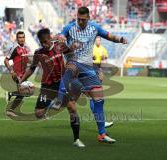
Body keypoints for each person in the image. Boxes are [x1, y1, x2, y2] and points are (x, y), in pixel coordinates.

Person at [50, 6, 127, 144]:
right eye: (78, 19)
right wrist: (60, 39)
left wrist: (120, 39)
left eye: (83, 20)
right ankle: (58, 98)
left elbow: (109, 35)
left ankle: (102, 134)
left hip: (88, 69)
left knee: (99, 99)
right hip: (73, 64)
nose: (80, 22)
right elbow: (61, 35)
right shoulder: (69, 28)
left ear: (89, 18)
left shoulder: (94, 27)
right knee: (71, 69)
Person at [20, 28, 85, 147]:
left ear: (50, 38)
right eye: (42, 42)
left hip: (62, 83)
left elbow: (73, 51)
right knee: (38, 114)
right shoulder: (38, 53)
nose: (44, 44)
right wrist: (21, 80)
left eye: (46, 41)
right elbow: (32, 68)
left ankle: (76, 139)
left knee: (72, 109)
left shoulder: (60, 46)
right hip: (47, 86)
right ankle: (54, 103)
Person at [4, 31, 31, 116]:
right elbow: (6, 60)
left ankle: (11, 95)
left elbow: (27, 60)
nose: (22, 39)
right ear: (17, 38)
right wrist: (11, 71)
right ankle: (10, 109)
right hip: (17, 74)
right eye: (20, 37)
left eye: (23, 37)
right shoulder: (15, 48)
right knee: (24, 91)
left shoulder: (25, 48)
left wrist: (37, 63)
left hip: (24, 74)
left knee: (26, 92)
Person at [92, 36, 113, 128]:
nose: (98, 41)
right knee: (96, 96)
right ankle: (101, 122)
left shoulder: (102, 48)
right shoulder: (91, 47)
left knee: (96, 96)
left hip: (98, 68)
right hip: (91, 68)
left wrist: (104, 57)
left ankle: (101, 121)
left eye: (99, 40)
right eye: (96, 40)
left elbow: (105, 58)